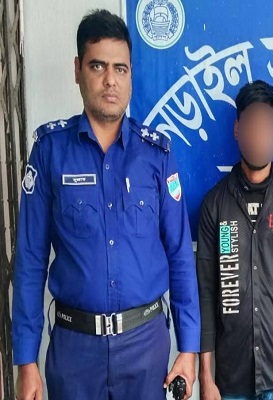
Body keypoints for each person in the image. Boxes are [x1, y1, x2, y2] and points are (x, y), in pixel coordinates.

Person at [12, 10, 200, 400]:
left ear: (131, 75)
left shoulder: (157, 155)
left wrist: (189, 348)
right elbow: (29, 260)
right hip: (74, 352)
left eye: (120, 69)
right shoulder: (50, 152)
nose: (110, 80)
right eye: (98, 66)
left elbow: (180, 254)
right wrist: (26, 361)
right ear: (77, 70)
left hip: (145, 346)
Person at [196, 80, 273, 400]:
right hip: (230, 379)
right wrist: (205, 377)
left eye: (268, 126)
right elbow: (206, 295)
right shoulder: (215, 205)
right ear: (237, 129)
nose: (260, 134)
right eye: (252, 124)